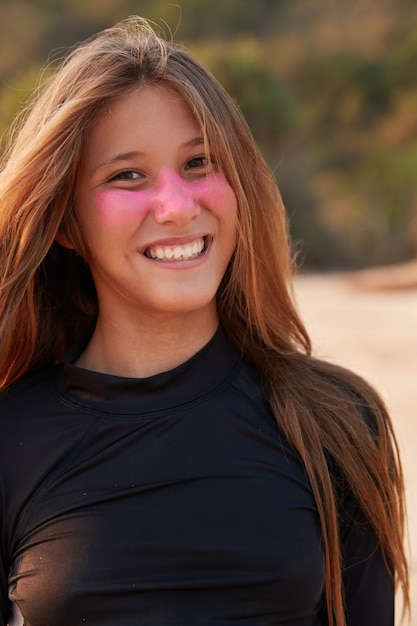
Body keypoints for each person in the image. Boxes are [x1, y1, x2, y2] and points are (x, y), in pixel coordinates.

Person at [0, 16, 409, 626]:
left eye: (199, 163)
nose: (176, 206)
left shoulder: (339, 422)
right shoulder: (10, 439)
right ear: (64, 225)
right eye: (127, 175)